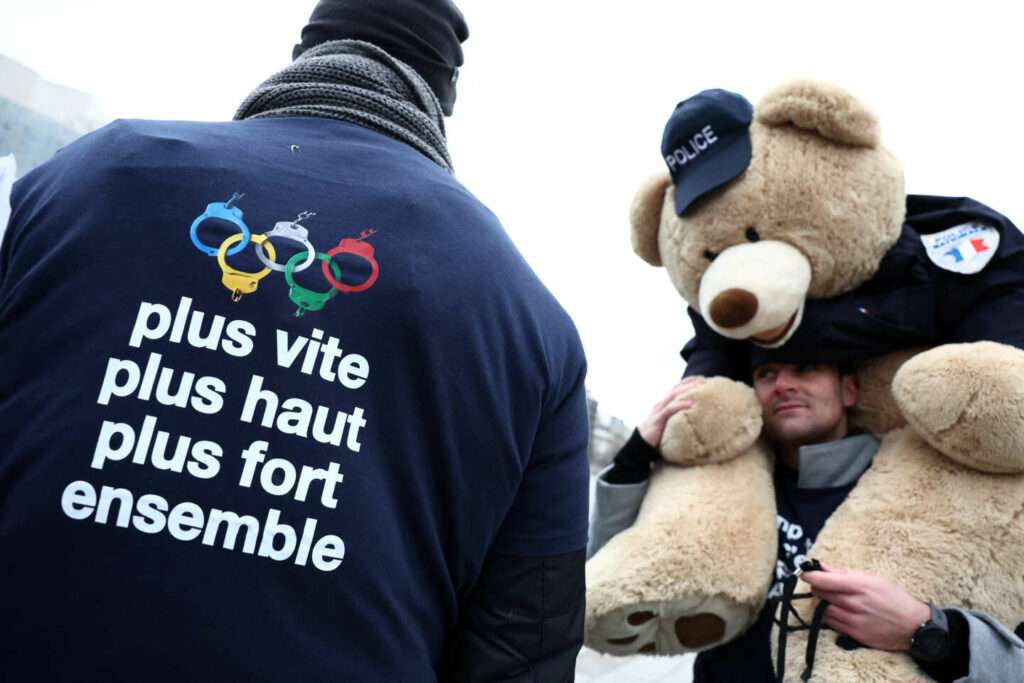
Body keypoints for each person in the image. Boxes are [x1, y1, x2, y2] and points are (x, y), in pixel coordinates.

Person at [0, 2, 590, 680]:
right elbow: (523, 647)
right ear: (440, 97)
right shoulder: (527, 316)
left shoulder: (84, 179)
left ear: (305, 52)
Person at [589, 363, 1024, 682]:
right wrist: (634, 459)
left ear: (849, 389)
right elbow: (611, 575)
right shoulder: (724, 486)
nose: (783, 384)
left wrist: (924, 629)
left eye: (806, 367)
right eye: (764, 373)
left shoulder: (931, 492)